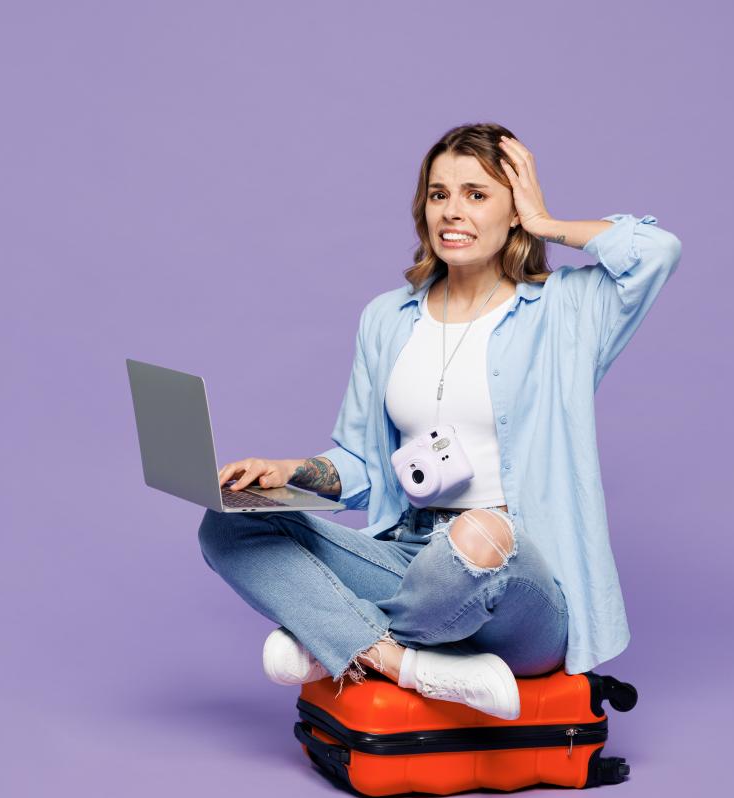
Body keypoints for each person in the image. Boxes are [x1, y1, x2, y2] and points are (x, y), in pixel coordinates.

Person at [197, 122, 683, 720]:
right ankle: (398, 660)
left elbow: (658, 252)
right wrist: (284, 472)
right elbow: (360, 467)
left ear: (514, 211)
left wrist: (547, 221)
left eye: (477, 194)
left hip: (512, 575)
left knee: (478, 535)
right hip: (407, 557)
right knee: (227, 528)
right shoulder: (387, 320)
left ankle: (334, 639)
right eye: (439, 194)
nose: (453, 211)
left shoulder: (565, 311)